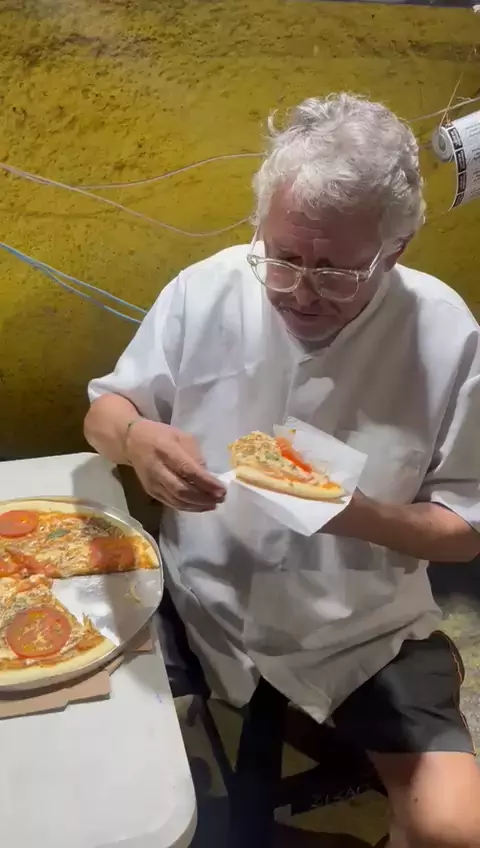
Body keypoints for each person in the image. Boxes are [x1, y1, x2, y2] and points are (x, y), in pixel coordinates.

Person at [84, 93, 480, 847]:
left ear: (395, 250)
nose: (300, 290)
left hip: (361, 628)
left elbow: (465, 529)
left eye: (336, 272)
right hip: (200, 599)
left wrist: (356, 514)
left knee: (453, 830)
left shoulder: (447, 335)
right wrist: (137, 439)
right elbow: (104, 412)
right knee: (109, 800)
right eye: (284, 256)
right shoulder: (207, 289)